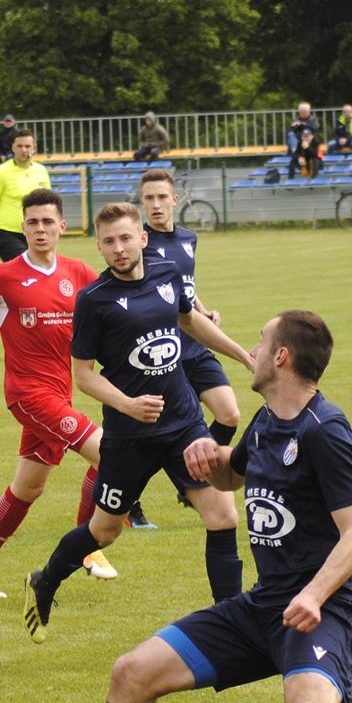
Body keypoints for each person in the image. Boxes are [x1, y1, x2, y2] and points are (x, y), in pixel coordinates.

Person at [4, 310, 352, 703]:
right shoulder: (269, 420)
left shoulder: (324, 431)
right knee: (132, 673)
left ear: (282, 358)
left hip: (324, 609)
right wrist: (209, 459)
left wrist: (315, 595)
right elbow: (231, 474)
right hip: (263, 606)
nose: (253, 347)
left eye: (262, 341)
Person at [21, 202, 255, 644]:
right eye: (108, 241)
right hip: (130, 437)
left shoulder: (168, 274)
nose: (119, 248)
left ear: (142, 238)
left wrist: (243, 355)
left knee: (223, 516)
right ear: (99, 247)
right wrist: (127, 405)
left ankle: (233, 624)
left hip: (184, 424)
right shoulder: (93, 300)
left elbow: (190, 322)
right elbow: (84, 375)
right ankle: (46, 580)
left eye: (126, 238)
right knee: (104, 531)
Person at [0, 189, 115, 599]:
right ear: (22, 228)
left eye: (47, 222)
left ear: (62, 226)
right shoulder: (4, 275)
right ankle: (88, 547)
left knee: (28, 488)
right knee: (108, 453)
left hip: (61, 394)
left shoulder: (79, 273)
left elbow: (117, 305)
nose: (39, 229)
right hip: (28, 394)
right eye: (32, 222)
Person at [139, 168, 242, 529]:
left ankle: (194, 475)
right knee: (149, 439)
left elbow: (186, 287)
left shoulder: (188, 239)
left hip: (195, 346)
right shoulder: (138, 244)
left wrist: (203, 310)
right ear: (142, 202)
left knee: (229, 414)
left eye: (161, 197)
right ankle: (131, 500)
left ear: (174, 200)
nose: (155, 204)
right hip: (164, 353)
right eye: (148, 198)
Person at [0, 130, 53, 261]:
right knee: (28, 267)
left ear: (34, 148)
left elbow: (50, 206)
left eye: (27, 146)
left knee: (36, 275)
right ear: (13, 147)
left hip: (36, 233)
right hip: (8, 234)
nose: (24, 150)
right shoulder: (1, 172)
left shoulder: (41, 171)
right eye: (19, 146)